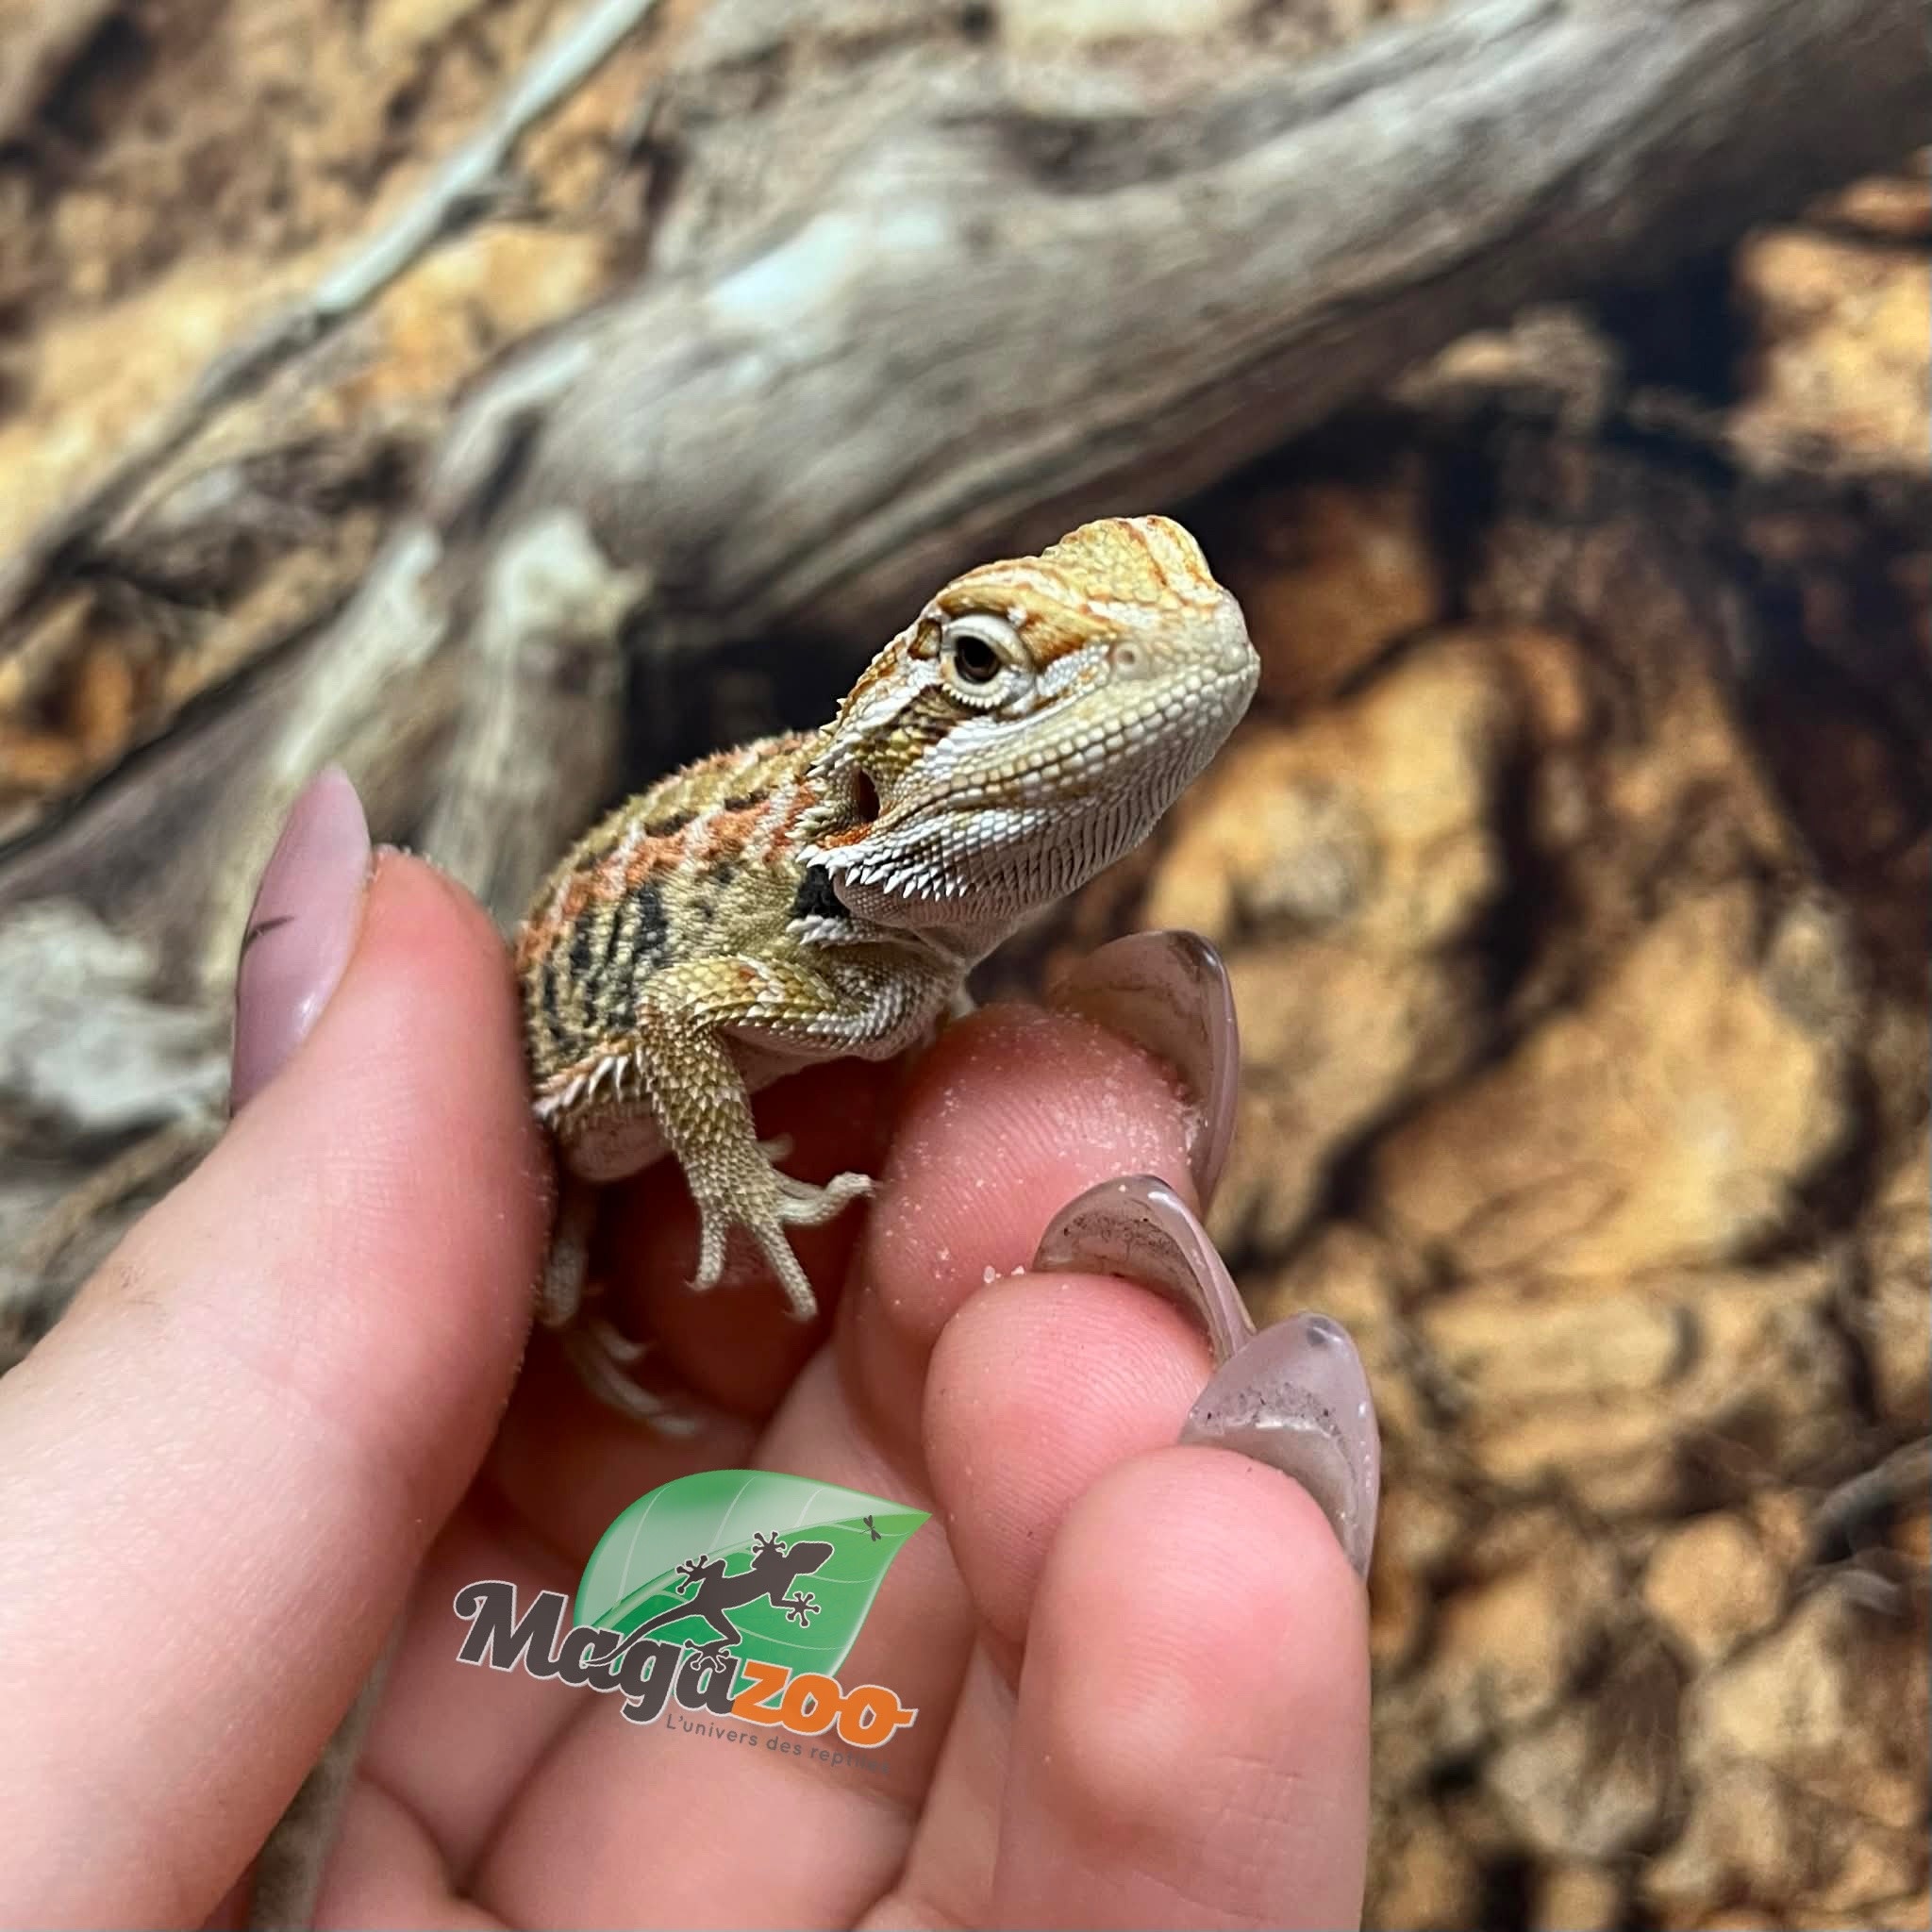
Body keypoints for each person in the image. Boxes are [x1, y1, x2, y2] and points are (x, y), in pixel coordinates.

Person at [0, 769, 1375, 1928]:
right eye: (983, 668)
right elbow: (669, 1013)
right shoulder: (815, 934)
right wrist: (727, 1178)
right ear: (886, 781)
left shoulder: (895, 964)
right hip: (546, 1158)